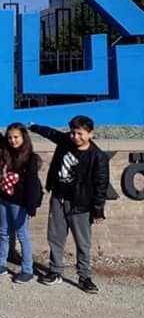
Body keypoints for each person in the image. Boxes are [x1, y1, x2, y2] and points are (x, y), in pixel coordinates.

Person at [31, 116, 108, 294]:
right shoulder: (65, 141)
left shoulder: (98, 157)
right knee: (55, 237)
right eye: (73, 132)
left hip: (80, 204)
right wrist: (35, 127)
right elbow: (51, 133)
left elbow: (101, 185)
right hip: (59, 198)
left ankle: (84, 276)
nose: (75, 137)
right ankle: (55, 271)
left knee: (83, 242)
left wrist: (98, 211)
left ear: (91, 134)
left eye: (80, 133)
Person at [0, 114, 41, 284]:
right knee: (3, 232)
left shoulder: (31, 158)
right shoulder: (6, 149)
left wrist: (31, 206)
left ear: (24, 137)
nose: (12, 140)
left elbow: (33, 183)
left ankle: (27, 270)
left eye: (16, 137)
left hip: (21, 203)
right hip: (5, 199)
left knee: (22, 235)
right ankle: (1, 264)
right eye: (10, 137)